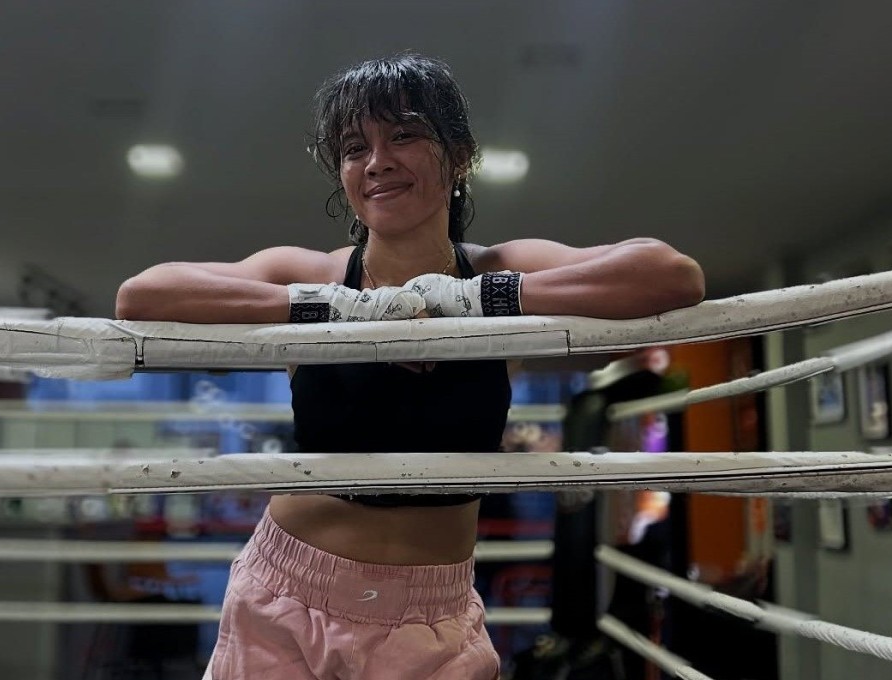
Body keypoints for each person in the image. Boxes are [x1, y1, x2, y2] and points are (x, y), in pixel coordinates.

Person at [116, 53, 705, 680]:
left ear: (458, 157)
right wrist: (334, 308)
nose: (376, 162)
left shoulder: (498, 266)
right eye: (353, 147)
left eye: (404, 135)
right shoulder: (316, 275)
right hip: (287, 595)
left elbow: (671, 274)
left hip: (433, 616)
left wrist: (484, 299)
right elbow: (143, 295)